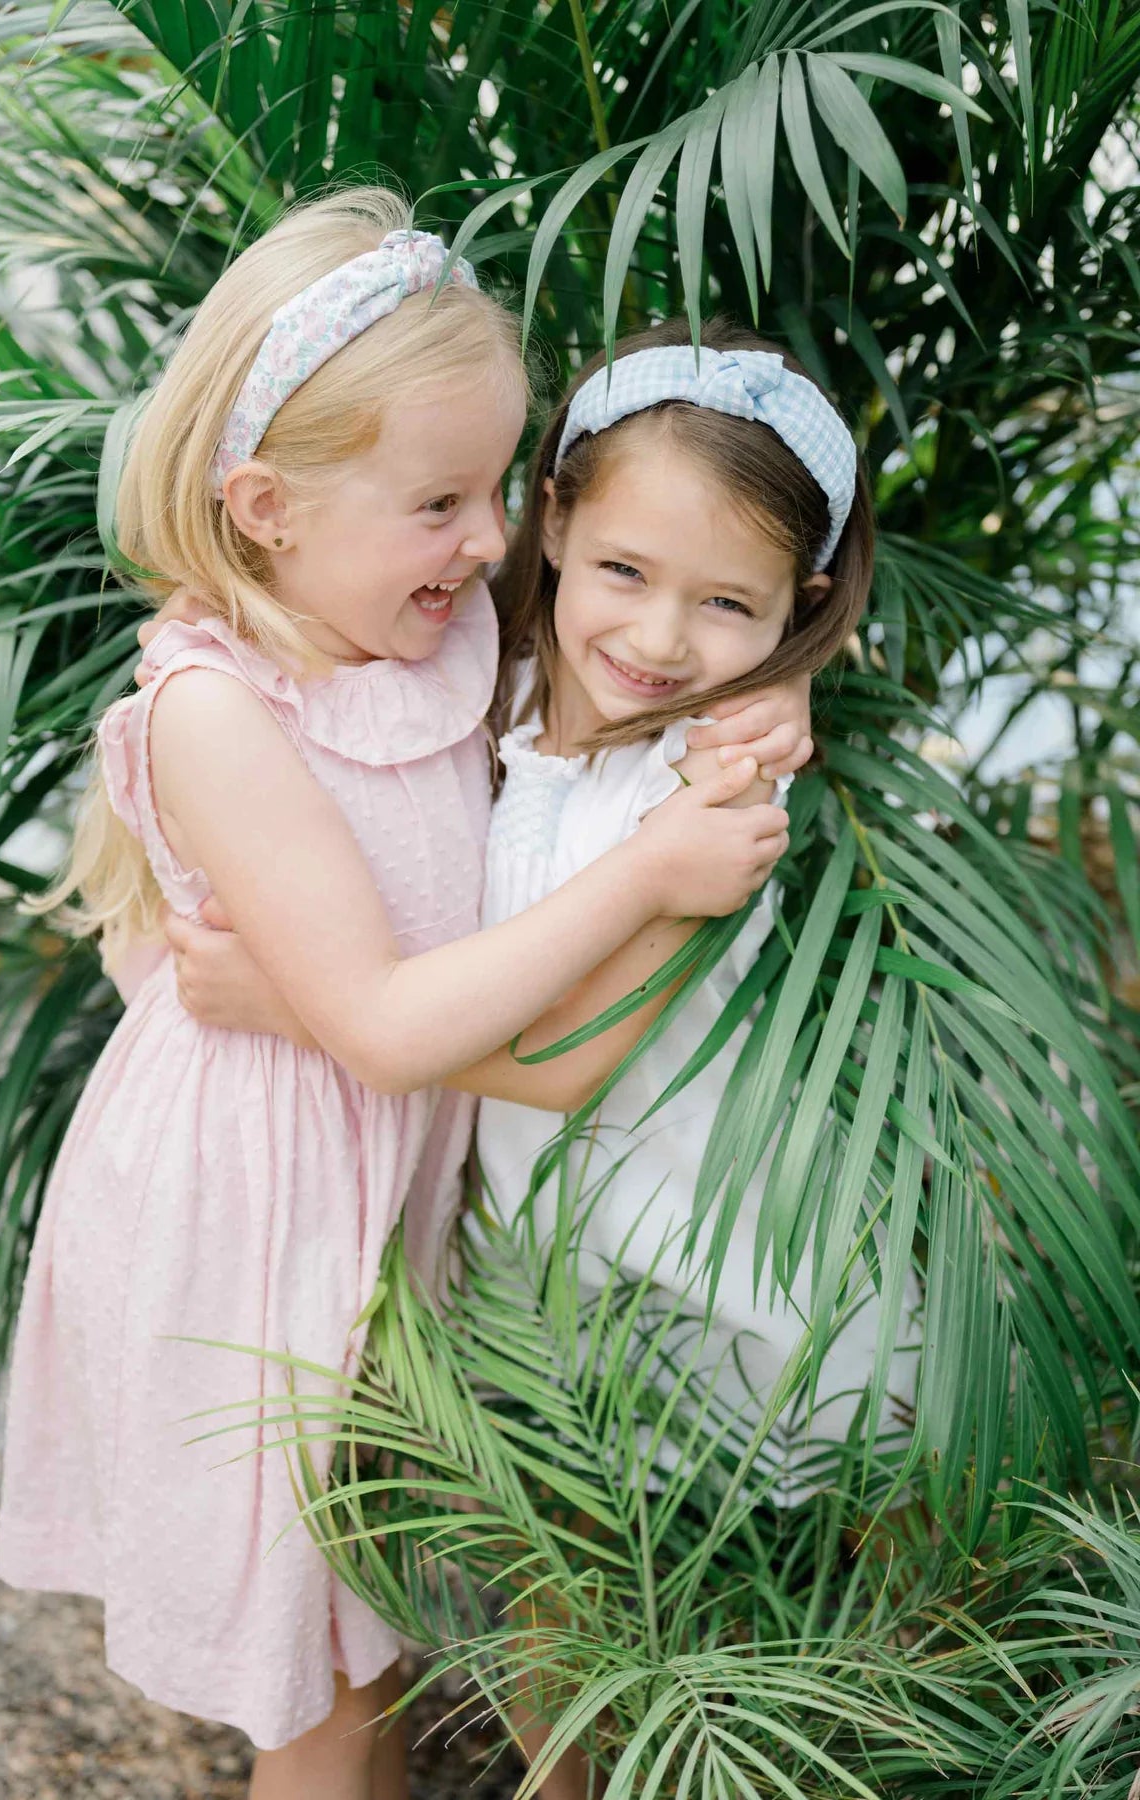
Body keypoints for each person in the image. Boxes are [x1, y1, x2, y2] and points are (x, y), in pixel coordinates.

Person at [0, 192, 796, 1800]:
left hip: (380, 1176)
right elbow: (376, 1021)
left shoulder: (427, 625)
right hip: (256, 1207)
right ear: (267, 507)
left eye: (497, 489)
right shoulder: (219, 711)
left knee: (382, 1619)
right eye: (441, 500)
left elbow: (663, 630)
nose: (493, 540)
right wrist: (651, 870)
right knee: (317, 1674)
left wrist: (775, 701)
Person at [161, 315, 920, 1796]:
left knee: (720, 1623)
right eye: (626, 571)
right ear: (554, 519)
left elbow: (570, 1061)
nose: (659, 640)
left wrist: (296, 1002)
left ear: (804, 603)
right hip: (531, 1259)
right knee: (550, 1600)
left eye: (728, 604)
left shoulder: (709, 799)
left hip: (703, 1258)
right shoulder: (483, 684)